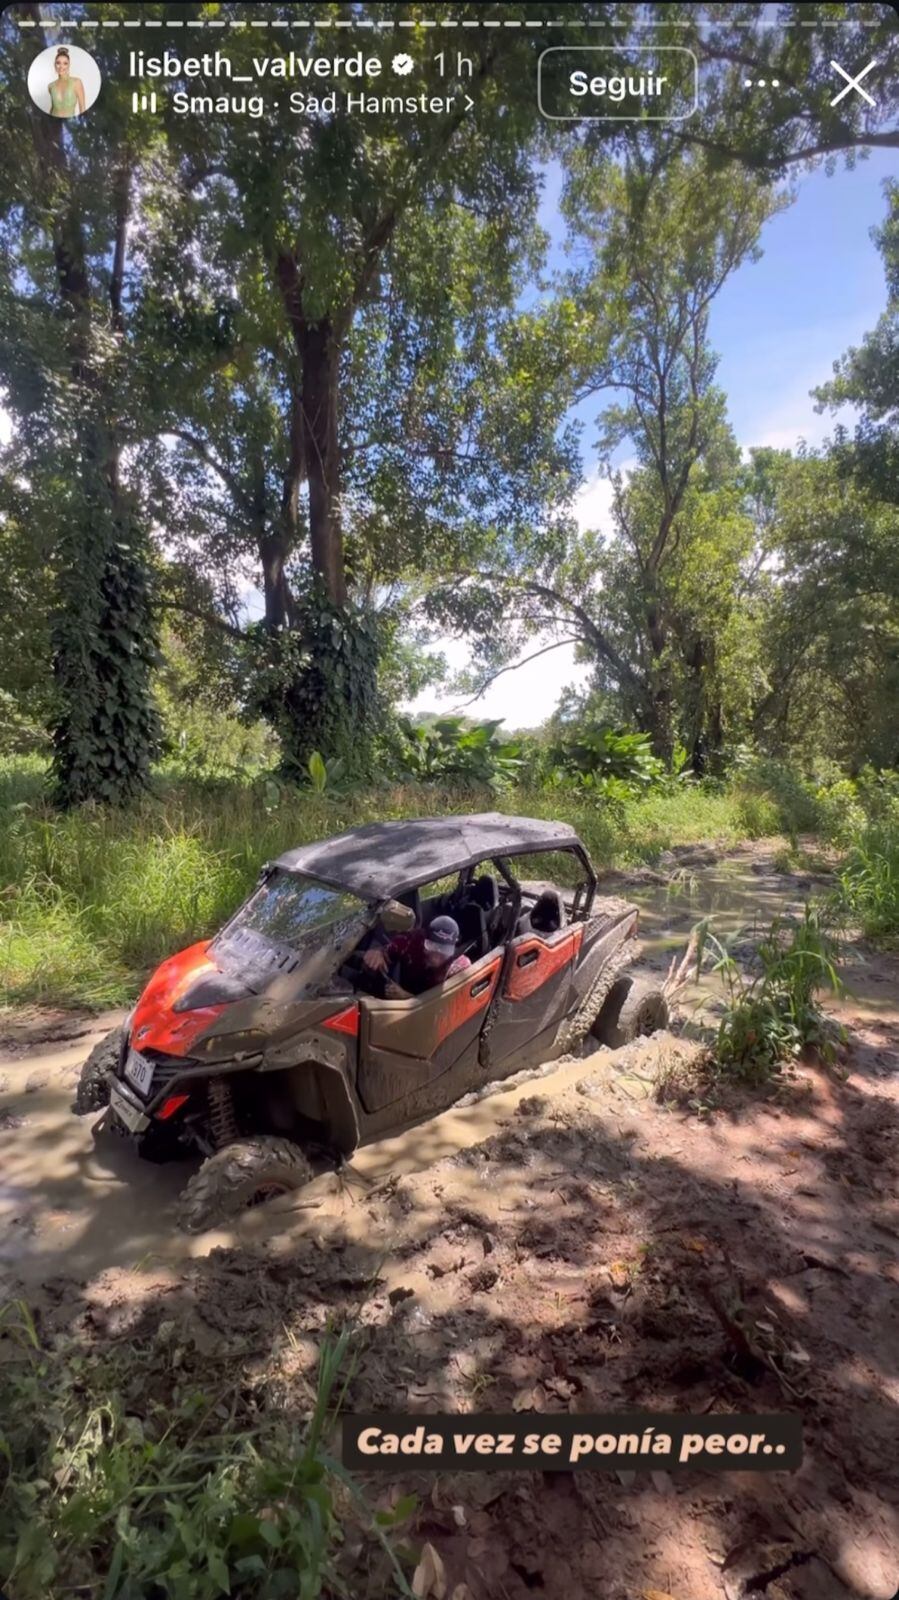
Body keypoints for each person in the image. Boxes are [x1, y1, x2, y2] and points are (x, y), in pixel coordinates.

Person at [362, 914, 471, 999]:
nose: (435, 957)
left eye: (444, 951)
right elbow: (387, 950)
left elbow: (448, 1008)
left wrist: (407, 997)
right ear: (424, 939)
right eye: (431, 946)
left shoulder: (458, 968)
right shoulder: (411, 942)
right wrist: (378, 953)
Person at [48, 49, 85, 118]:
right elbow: (52, 108)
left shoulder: (77, 82)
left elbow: (82, 108)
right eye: (58, 63)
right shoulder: (50, 86)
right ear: (54, 65)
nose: (61, 66)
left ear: (69, 65)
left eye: (65, 63)